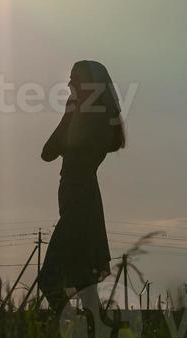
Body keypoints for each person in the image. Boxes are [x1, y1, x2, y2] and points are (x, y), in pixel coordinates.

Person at [37, 59, 126, 315]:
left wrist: (68, 115)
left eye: (75, 79)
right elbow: (49, 152)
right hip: (82, 194)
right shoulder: (94, 121)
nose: (69, 84)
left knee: (51, 277)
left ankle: (71, 325)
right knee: (85, 279)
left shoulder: (88, 122)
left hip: (78, 196)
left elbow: (48, 152)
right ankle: (85, 334)